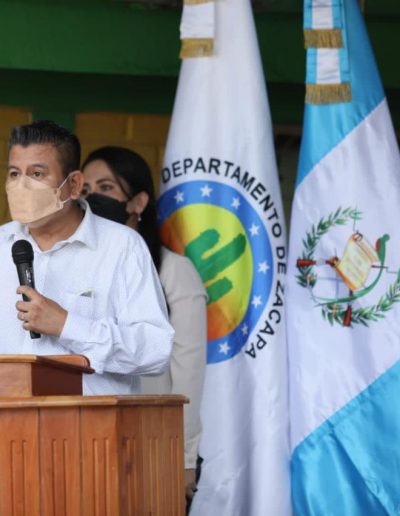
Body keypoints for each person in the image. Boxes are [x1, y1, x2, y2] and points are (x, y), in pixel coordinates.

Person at [0, 120, 173, 395]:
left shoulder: (122, 247)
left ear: (74, 184)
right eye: (14, 173)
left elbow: (155, 351)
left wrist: (67, 326)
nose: (22, 185)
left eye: (37, 173)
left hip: (91, 420)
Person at [81, 146, 207, 506]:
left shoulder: (173, 271)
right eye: (86, 190)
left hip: (153, 442)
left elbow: (188, 373)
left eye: (106, 188)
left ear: (138, 202)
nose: (93, 198)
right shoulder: (79, 266)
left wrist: (183, 457)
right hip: (85, 438)